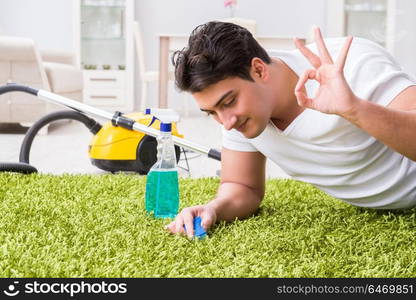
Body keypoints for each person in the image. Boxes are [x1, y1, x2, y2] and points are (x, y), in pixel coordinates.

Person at [165, 21, 416, 238]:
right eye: (211, 112)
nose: (226, 122)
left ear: (259, 70)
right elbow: (242, 186)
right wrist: (215, 209)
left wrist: (355, 109)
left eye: (228, 102)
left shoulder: (355, 64)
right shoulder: (239, 116)